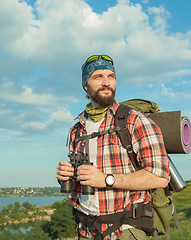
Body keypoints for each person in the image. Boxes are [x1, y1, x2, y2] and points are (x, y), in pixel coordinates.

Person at [56, 55, 170, 240]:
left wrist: (106, 179)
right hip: (86, 230)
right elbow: (80, 182)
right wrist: (65, 176)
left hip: (124, 230)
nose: (106, 82)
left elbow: (160, 177)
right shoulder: (77, 130)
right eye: (98, 76)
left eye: (111, 76)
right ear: (86, 85)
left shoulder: (134, 121)